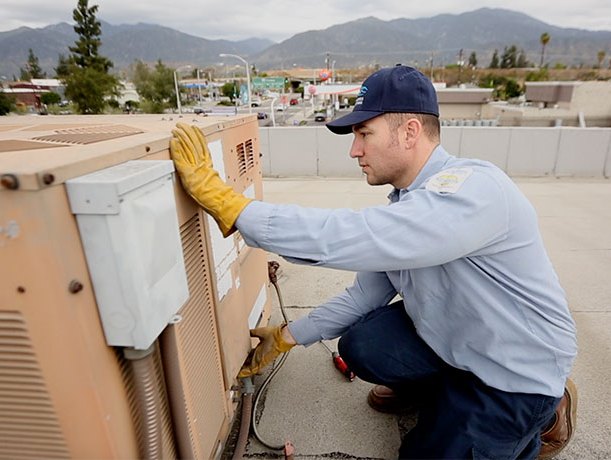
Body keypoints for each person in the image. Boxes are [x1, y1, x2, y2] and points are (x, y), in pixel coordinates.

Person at [169, 64, 578, 460]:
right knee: (363, 345)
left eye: (365, 133)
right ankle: (444, 394)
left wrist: (233, 207)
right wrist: (287, 336)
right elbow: (365, 296)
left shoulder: (474, 191)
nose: (354, 149)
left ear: (410, 132)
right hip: (464, 344)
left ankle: (543, 418)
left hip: (513, 377)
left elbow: (346, 235)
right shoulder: (410, 202)